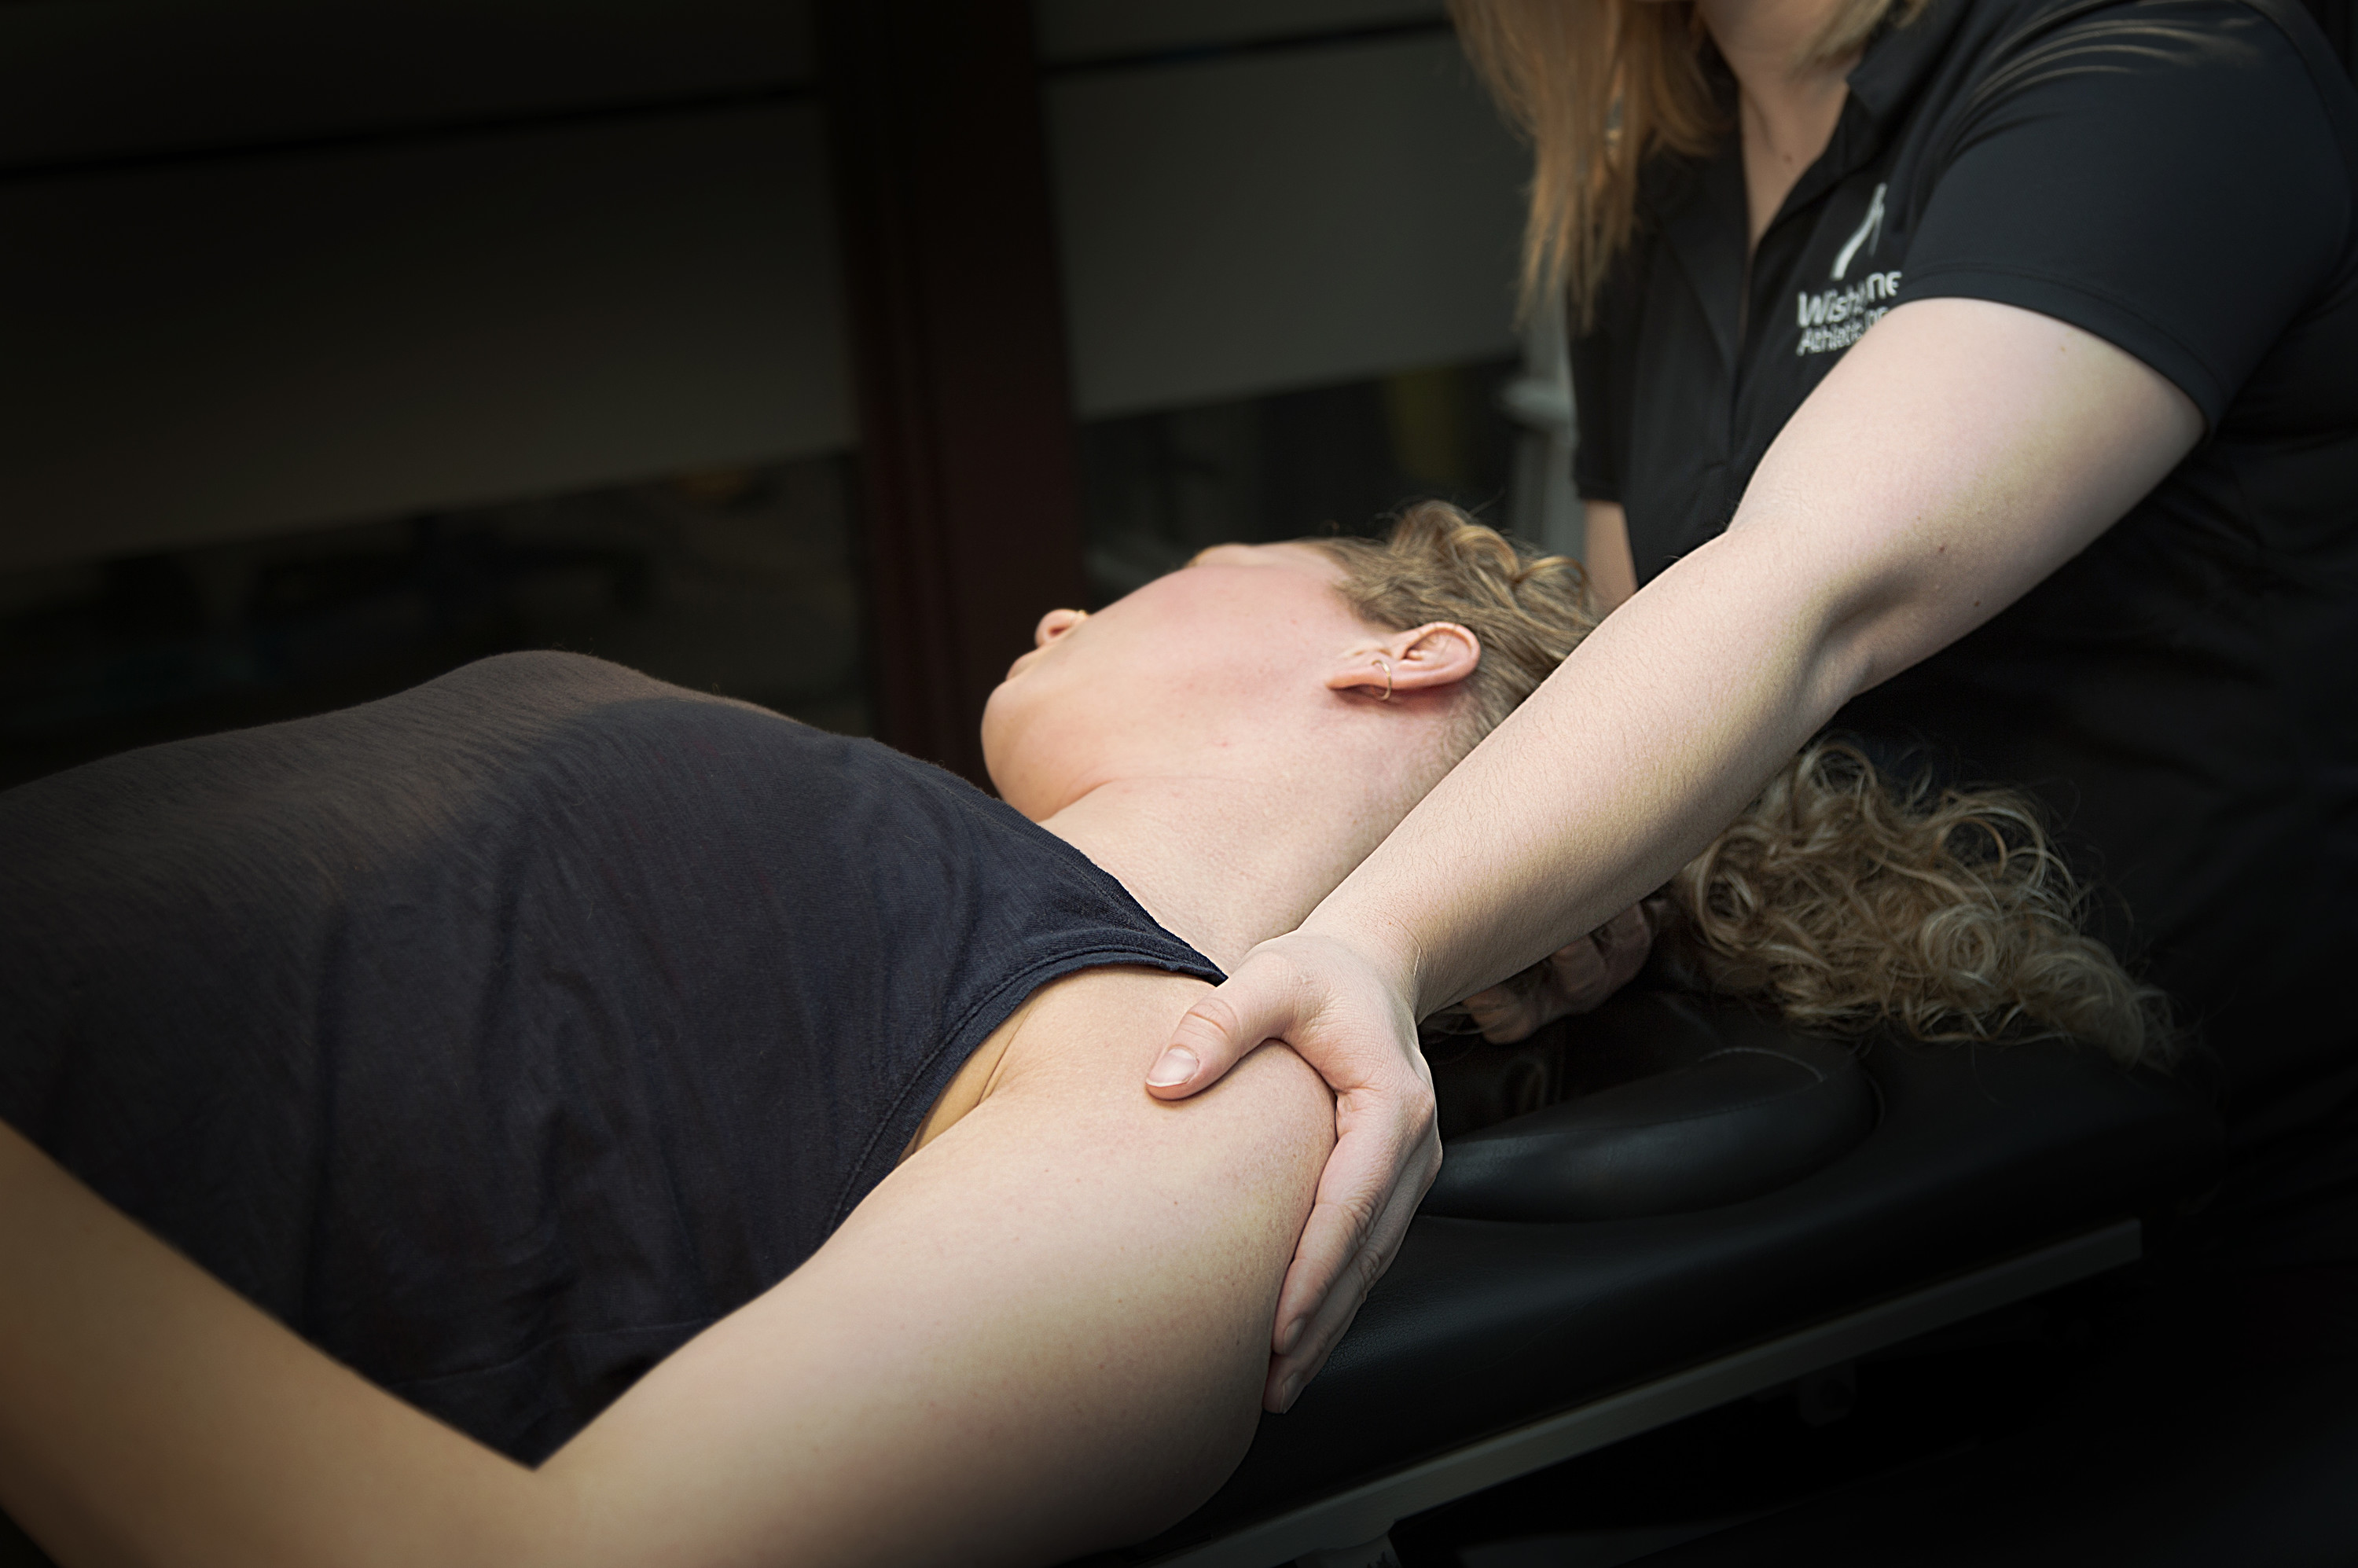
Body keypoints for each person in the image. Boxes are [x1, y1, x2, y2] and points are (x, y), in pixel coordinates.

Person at [0, 508, 2160, 1566]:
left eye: (1162, 568)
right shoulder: (874, 830)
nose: (1055, 610)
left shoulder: (1187, 1111)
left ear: (1406, 657)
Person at [1155, 0, 2358, 1416]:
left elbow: (1814, 586)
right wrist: (1575, 902)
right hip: (1886, 1172)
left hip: (2247, 1186)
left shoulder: (2162, 62)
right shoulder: (1652, 189)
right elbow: (1628, 659)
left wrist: (1374, 943)